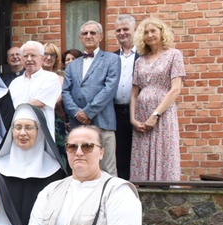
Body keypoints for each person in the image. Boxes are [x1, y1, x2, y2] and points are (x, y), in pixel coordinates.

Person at [62, 20, 121, 176]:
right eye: (85, 33)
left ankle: (108, 200)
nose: (88, 36)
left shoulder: (112, 59)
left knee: (107, 169)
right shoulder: (72, 65)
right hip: (78, 125)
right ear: (80, 38)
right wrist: (77, 113)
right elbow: (66, 92)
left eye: (93, 33)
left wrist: (88, 112)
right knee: (80, 167)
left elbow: (110, 89)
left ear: (100, 37)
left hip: (103, 121)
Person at [0, 104, 67, 225]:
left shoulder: (55, 171)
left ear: (40, 131)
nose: (22, 133)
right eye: (17, 127)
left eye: (28, 127)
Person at [130, 18, 185, 181]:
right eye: (146, 32)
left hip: (162, 114)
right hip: (141, 115)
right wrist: (132, 119)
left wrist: (155, 115)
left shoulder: (174, 55)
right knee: (142, 155)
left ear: (162, 32)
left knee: (164, 151)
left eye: (153, 31)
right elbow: (133, 93)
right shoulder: (140, 61)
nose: (149, 35)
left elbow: (175, 89)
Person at [9, 40, 61, 135]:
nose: (29, 59)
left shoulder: (51, 78)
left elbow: (39, 103)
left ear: (41, 58)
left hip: (42, 133)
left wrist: (17, 110)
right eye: (25, 56)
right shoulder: (14, 83)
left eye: (33, 55)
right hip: (18, 134)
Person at [113, 15, 139, 180]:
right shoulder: (111, 57)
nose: (122, 33)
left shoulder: (145, 55)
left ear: (134, 30)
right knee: (120, 155)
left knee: (140, 153)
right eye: (118, 30)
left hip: (139, 111)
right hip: (115, 112)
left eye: (125, 29)